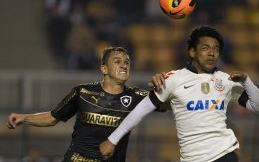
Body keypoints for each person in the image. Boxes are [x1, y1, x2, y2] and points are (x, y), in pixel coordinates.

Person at [100, 26, 259, 162]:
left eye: (216, 49)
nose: (211, 53)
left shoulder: (225, 81)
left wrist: (246, 81)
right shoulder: (173, 80)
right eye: (205, 48)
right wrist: (112, 140)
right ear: (192, 52)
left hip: (224, 155)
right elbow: (141, 110)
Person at [7, 46, 167, 162]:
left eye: (127, 62)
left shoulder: (136, 96)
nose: (124, 64)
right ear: (104, 68)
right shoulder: (82, 92)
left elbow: (166, 106)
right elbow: (52, 117)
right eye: (117, 61)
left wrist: (164, 88)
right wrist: (23, 118)